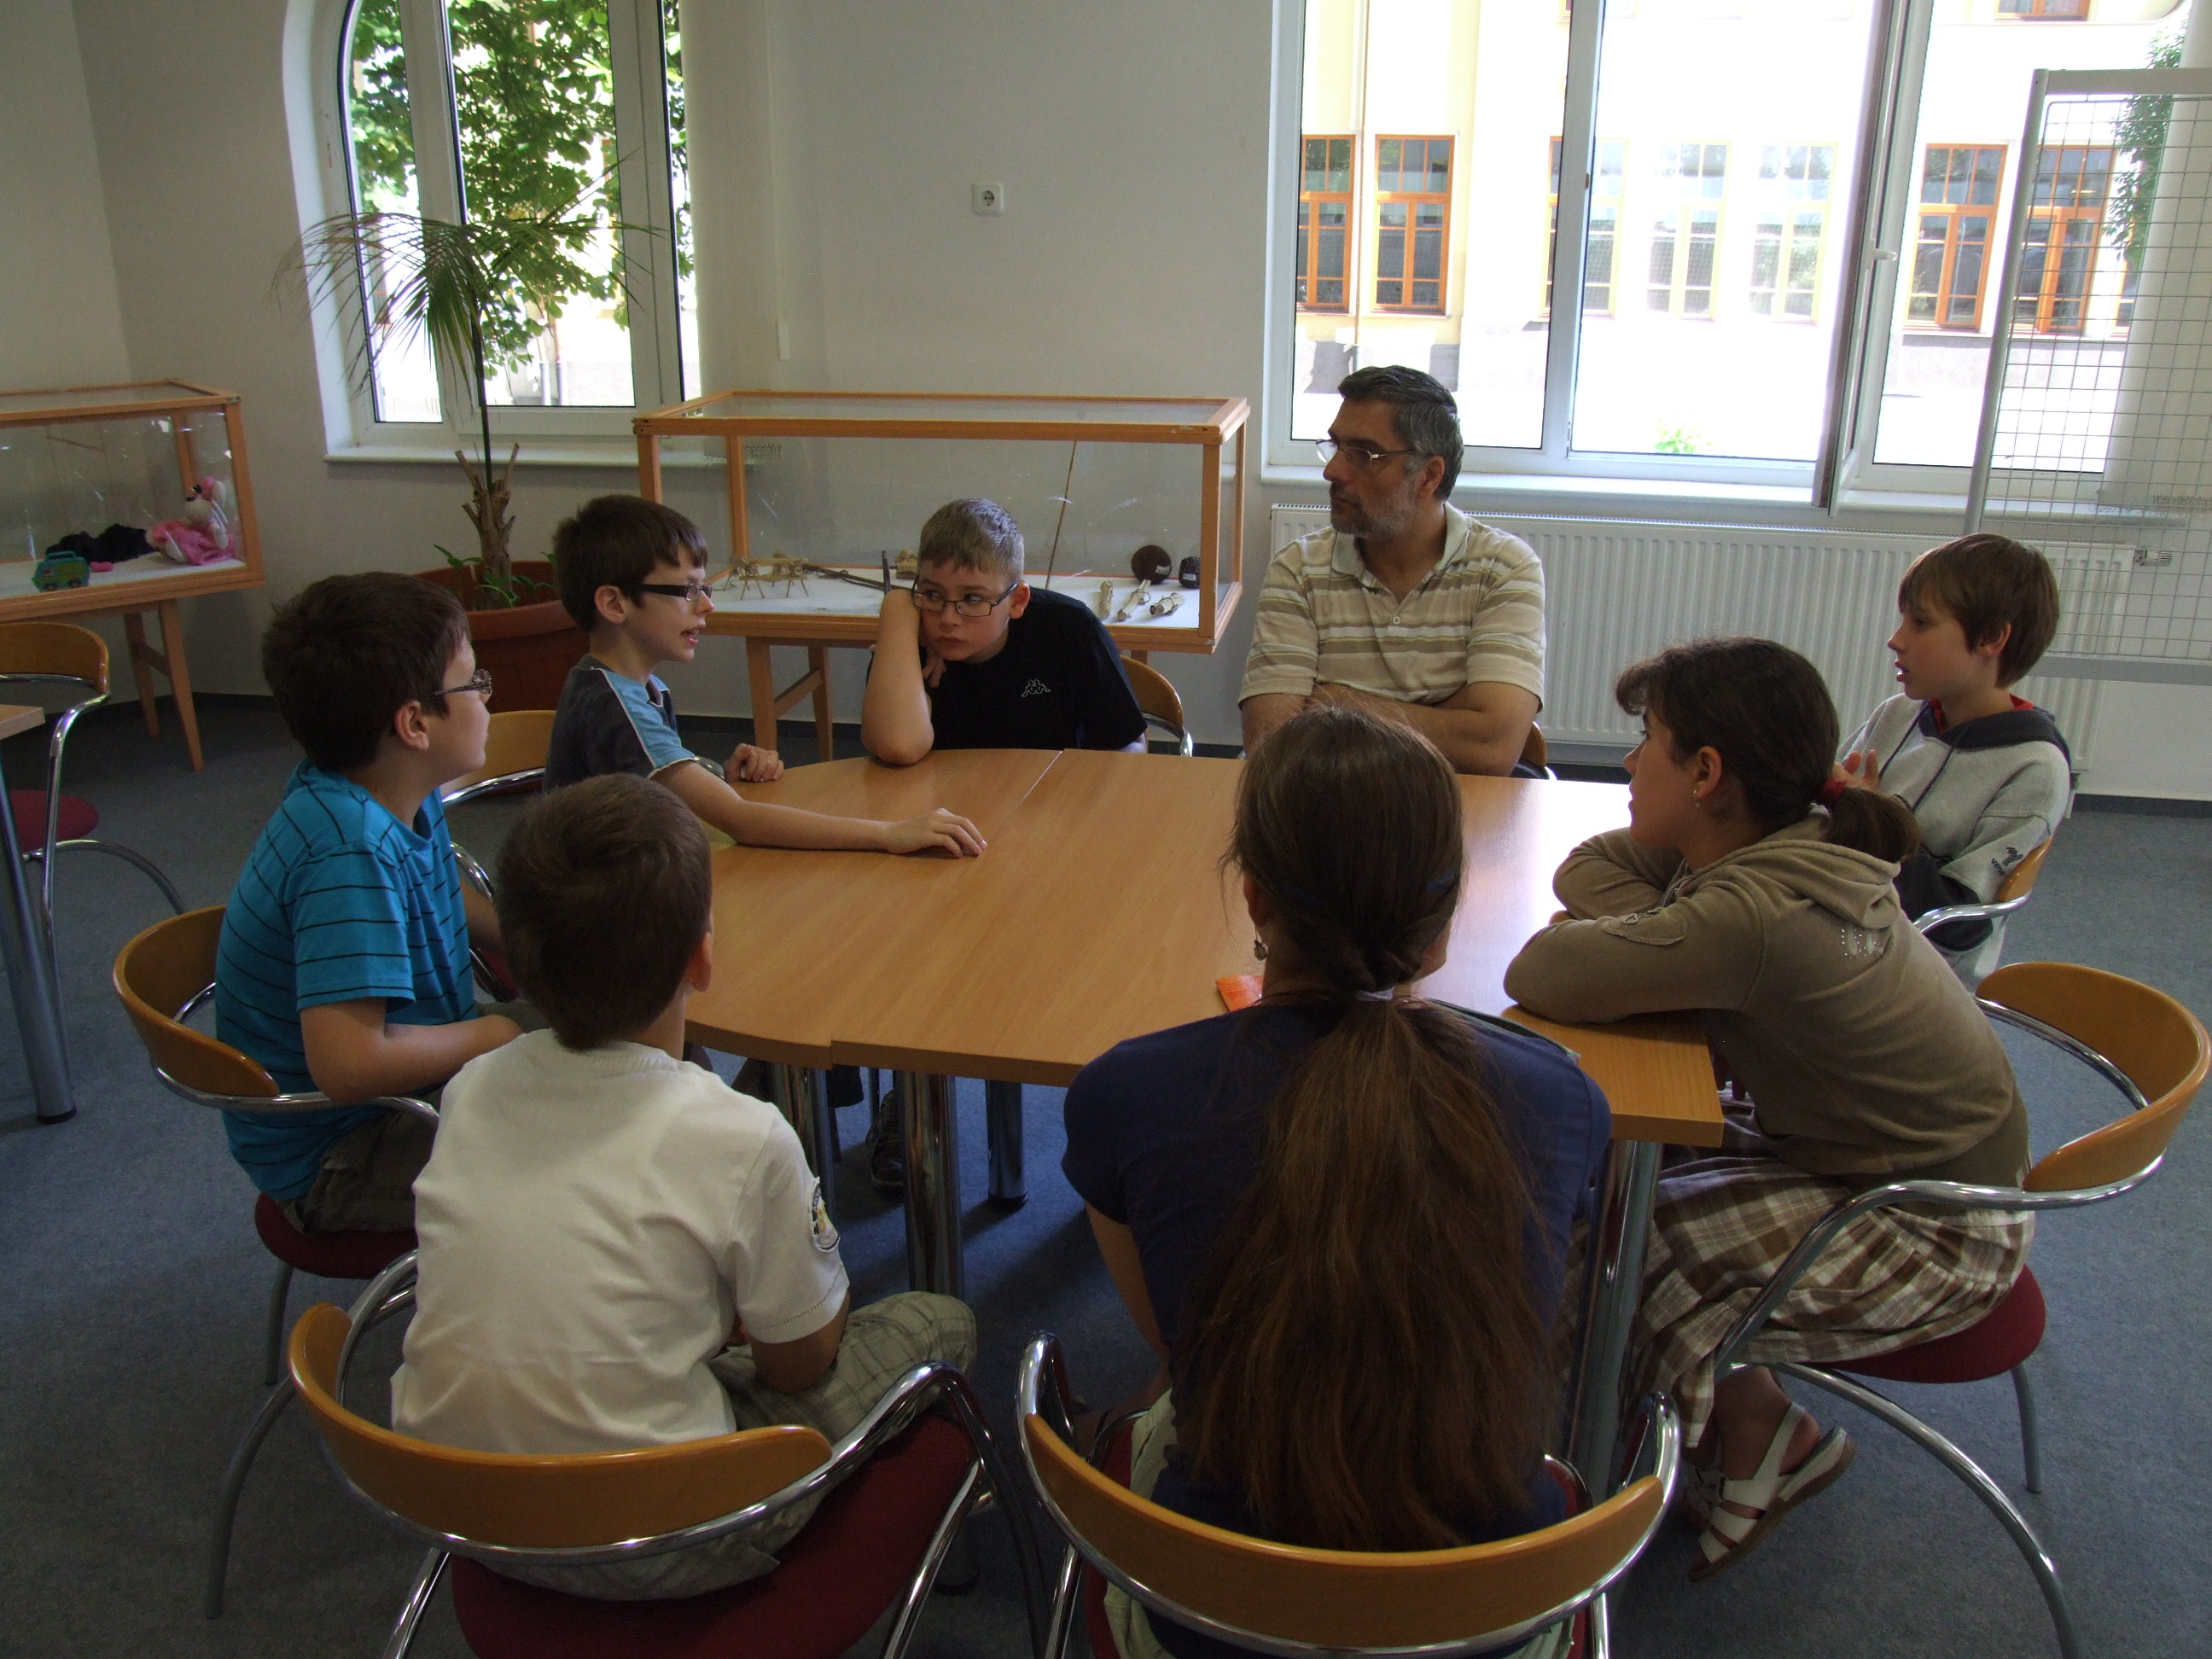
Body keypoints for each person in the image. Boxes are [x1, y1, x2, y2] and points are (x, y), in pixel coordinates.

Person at [1062, 707, 1610, 1659]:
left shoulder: (1124, 1092)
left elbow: (1177, 1342)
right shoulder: (1561, 1099)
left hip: (1214, 1618)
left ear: (1256, 901)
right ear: (1442, 922)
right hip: (1486, 1620)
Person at [1504, 637, 2033, 1582]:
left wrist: (1651, 934)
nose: (1629, 758)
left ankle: (1560, 1507)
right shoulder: (1788, 845)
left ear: (1706, 774)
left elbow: (1539, 970)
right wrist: (1659, 926)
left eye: (1647, 739)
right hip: (1869, 1154)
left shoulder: (1754, 915)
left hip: (1937, 1222)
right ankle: (1758, 1429)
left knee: (1611, 1248)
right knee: (1619, 1186)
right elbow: (1589, 866)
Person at [391, 773, 978, 1598]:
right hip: (663, 1539)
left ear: (514, 959)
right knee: (942, 1324)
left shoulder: (472, 1088)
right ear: (704, 959)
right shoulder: (743, 1136)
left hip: (458, 1505)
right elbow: (799, 1363)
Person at [215, 573, 528, 1231]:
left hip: (408, 1087)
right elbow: (350, 1064)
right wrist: (499, 1033)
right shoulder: (347, 850)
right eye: (473, 682)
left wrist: (526, 936)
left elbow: (437, 890)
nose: (486, 696)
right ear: (414, 724)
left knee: (627, 1042)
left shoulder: (389, 790)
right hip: (346, 1152)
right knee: (609, 1135)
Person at [548, 493, 985, 857]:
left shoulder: (633, 687)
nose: (707, 604)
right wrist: (889, 834)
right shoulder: (615, 704)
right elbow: (740, 821)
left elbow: (653, 793)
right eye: (688, 590)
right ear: (614, 604)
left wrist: (716, 778)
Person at [1237, 366, 1544, 775]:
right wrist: (1447, 714)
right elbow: (1271, 742)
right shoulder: (1298, 570)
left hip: (1457, 806)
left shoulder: (1503, 569)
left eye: (1364, 455)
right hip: (1328, 804)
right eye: (1336, 446)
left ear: (1428, 476)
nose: (1333, 471)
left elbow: (1491, 749)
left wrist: (1338, 701)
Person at [1837, 533, 2070, 984]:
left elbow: (1957, 925)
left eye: (1921, 623)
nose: (1896, 640)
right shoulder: (1897, 713)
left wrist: (1871, 821)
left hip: (1914, 978)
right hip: (1844, 927)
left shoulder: (2035, 770)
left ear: (1991, 638)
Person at [859, 496, 1147, 763]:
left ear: (1017, 601)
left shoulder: (1070, 628)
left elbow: (1128, 744)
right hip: (938, 799)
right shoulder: (908, 636)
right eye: (933, 594)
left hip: (1053, 795)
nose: (948, 619)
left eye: (972, 599)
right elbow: (898, 745)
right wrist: (897, 607)